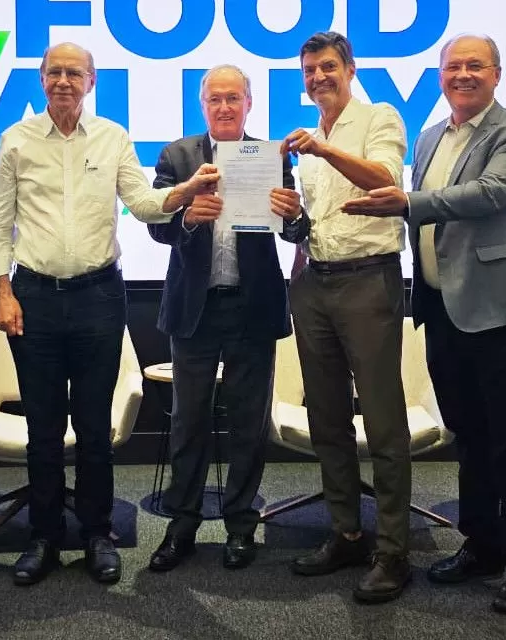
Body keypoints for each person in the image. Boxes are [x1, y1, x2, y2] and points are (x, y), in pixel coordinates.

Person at [0, 42, 220, 587]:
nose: (64, 81)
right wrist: (2, 291)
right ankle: (44, 537)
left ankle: (96, 534)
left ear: (91, 81)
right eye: (54, 72)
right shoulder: (15, 139)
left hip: (98, 296)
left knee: (94, 426)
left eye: (75, 73)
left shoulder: (113, 137)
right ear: (41, 79)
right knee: (43, 428)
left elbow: (143, 205)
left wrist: (187, 189)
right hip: (34, 297)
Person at [341, 34, 506, 614]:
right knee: (470, 436)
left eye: (474, 65)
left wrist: (405, 203)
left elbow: (490, 193)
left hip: (505, 310)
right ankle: (482, 545)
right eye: (452, 66)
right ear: (439, 75)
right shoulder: (431, 135)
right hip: (443, 307)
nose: (462, 74)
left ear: (496, 74)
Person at [145, 65, 307, 572]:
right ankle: (182, 526)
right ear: (203, 105)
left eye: (233, 98)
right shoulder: (177, 155)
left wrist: (293, 214)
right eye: (215, 99)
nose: (224, 107)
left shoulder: (271, 156)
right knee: (188, 421)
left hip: (251, 306)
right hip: (195, 308)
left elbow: (294, 231)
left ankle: (241, 526)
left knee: (248, 424)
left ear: (249, 103)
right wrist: (186, 218)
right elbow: (156, 226)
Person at [280, 31, 412, 604]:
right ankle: (347, 534)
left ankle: (393, 551)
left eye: (328, 67)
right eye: (310, 70)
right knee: (327, 418)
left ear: (350, 68)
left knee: (382, 422)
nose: (318, 78)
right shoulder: (310, 137)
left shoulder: (379, 117)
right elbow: (313, 222)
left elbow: (387, 181)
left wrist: (324, 150)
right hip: (315, 283)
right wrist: (290, 219)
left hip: (368, 280)